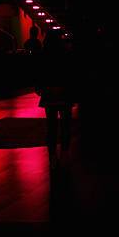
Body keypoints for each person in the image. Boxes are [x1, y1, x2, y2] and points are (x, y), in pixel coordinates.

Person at [36, 30, 74, 168]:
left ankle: (52, 155)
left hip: (49, 94)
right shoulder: (66, 54)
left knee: (51, 126)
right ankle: (64, 152)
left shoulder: (44, 55)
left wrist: (40, 87)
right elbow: (71, 74)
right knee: (65, 125)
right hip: (64, 93)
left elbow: (39, 73)